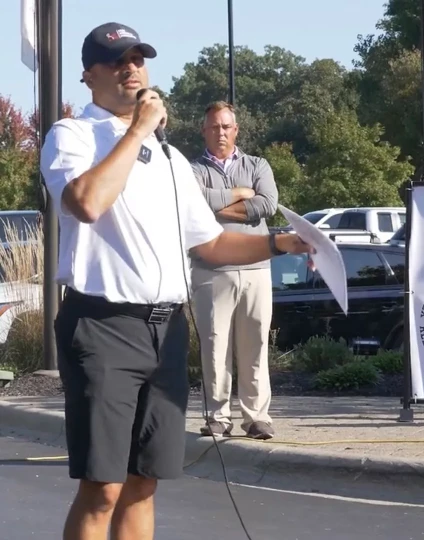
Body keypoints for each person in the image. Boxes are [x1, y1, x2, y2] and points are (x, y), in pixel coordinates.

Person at [39, 22, 312, 540]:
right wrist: (138, 132)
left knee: (144, 483)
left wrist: (281, 243)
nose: (131, 68)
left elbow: (209, 243)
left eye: (138, 58)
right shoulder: (72, 135)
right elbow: (87, 203)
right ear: (88, 74)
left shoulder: (169, 158)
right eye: (117, 60)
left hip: (164, 333)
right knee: (103, 486)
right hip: (102, 326)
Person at [190, 102, 278, 440]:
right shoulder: (193, 170)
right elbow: (193, 202)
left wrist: (219, 207)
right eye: (214, 127)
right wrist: (241, 194)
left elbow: (268, 204)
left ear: (236, 130)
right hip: (211, 270)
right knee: (214, 346)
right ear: (205, 131)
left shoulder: (258, 165)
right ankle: (218, 417)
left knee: (254, 343)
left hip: (256, 267)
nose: (221, 132)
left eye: (226, 127)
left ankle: (257, 417)